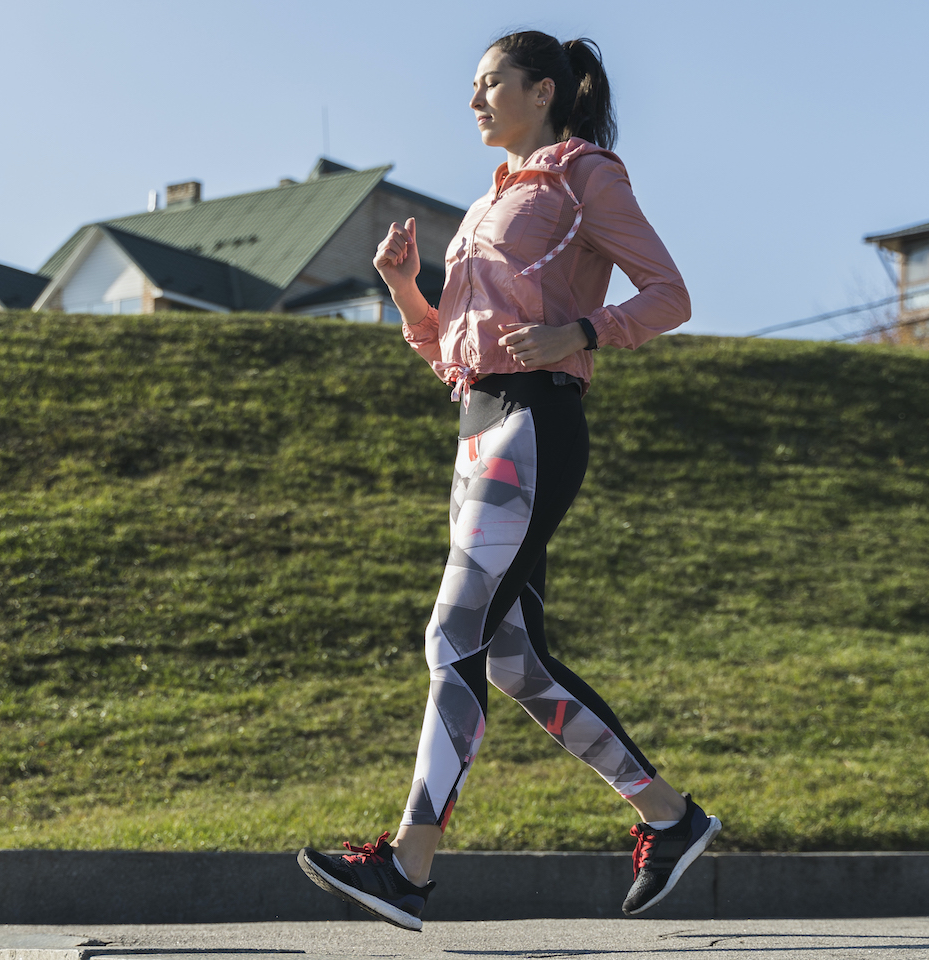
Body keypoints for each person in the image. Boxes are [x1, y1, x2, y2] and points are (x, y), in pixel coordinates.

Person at [297, 30, 719, 931]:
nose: (475, 100)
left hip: (535, 424)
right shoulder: (493, 199)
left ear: (545, 91)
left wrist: (585, 333)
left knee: (452, 635)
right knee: (516, 663)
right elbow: (450, 352)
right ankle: (670, 817)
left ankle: (409, 866)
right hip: (478, 428)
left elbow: (670, 294)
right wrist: (409, 291)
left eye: (491, 83)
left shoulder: (584, 176)